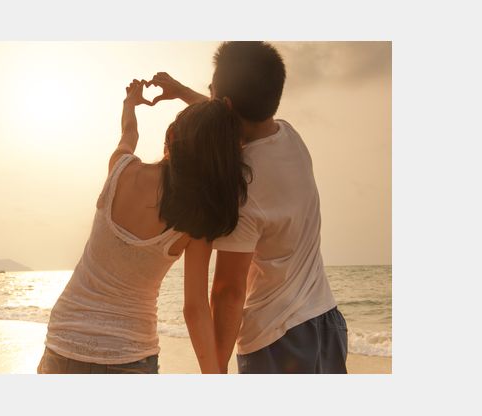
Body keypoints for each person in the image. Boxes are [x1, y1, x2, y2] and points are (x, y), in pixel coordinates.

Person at [148, 41, 348, 374]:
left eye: (211, 92)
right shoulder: (290, 136)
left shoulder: (242, 187)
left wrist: (216, 370)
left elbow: (228, 291)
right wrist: (182, 92)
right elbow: (227, 119)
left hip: (276, 340)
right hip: (327, 323)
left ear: (224, 104)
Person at [37, 79, 251, 374]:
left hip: (63, 340)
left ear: (171, 135)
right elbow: (195, 308)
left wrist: (130, 103)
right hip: (128, 354)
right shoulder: (196, 219)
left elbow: (129, 132)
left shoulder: (120, 169)